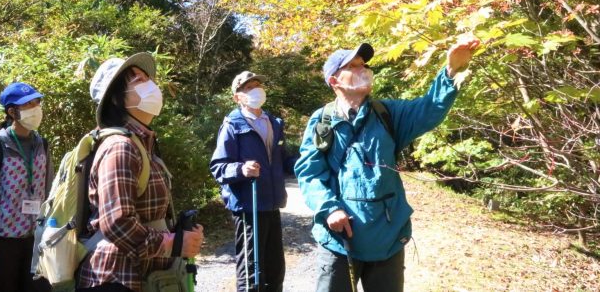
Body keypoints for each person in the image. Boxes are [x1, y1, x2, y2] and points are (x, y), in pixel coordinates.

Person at [295, 36, 480, 292]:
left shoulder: (388, 113)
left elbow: (429, 109)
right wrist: (329, 209)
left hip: (388, 237)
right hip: (338, 238)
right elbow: (310, 174)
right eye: (354, 66)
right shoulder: (322, 121)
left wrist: (451, 71)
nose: (364, 70)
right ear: (334, 81)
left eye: (364, 65)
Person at [76, 53, 204, 292]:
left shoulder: (143, 145)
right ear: (115, 99)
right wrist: (173, 244)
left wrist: (179, 233)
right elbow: (117, 222)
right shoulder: (120, 147)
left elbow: (146, 216)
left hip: (140, 277)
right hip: (116, 278)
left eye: (148, 78)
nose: (151, 85)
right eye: (138, 80)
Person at [210, 71, 295, 292]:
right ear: (237, 97)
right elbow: (218, 167)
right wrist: (241, 169)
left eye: (257, 85)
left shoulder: (274, 123)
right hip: (249, 206)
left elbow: (285, 160)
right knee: (251, 271)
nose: (256, 89)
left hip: (272, 203)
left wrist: (307, 166)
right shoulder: (232, 125)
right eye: (248, 87)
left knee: (276, 269)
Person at [0, 82, 54, 292]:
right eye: (28, 104)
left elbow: (50, 190)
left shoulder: (42, 145)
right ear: (12, 111)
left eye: (37, 102)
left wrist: (51, 230)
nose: (36, 109)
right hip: (4, 241)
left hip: (36, 238)